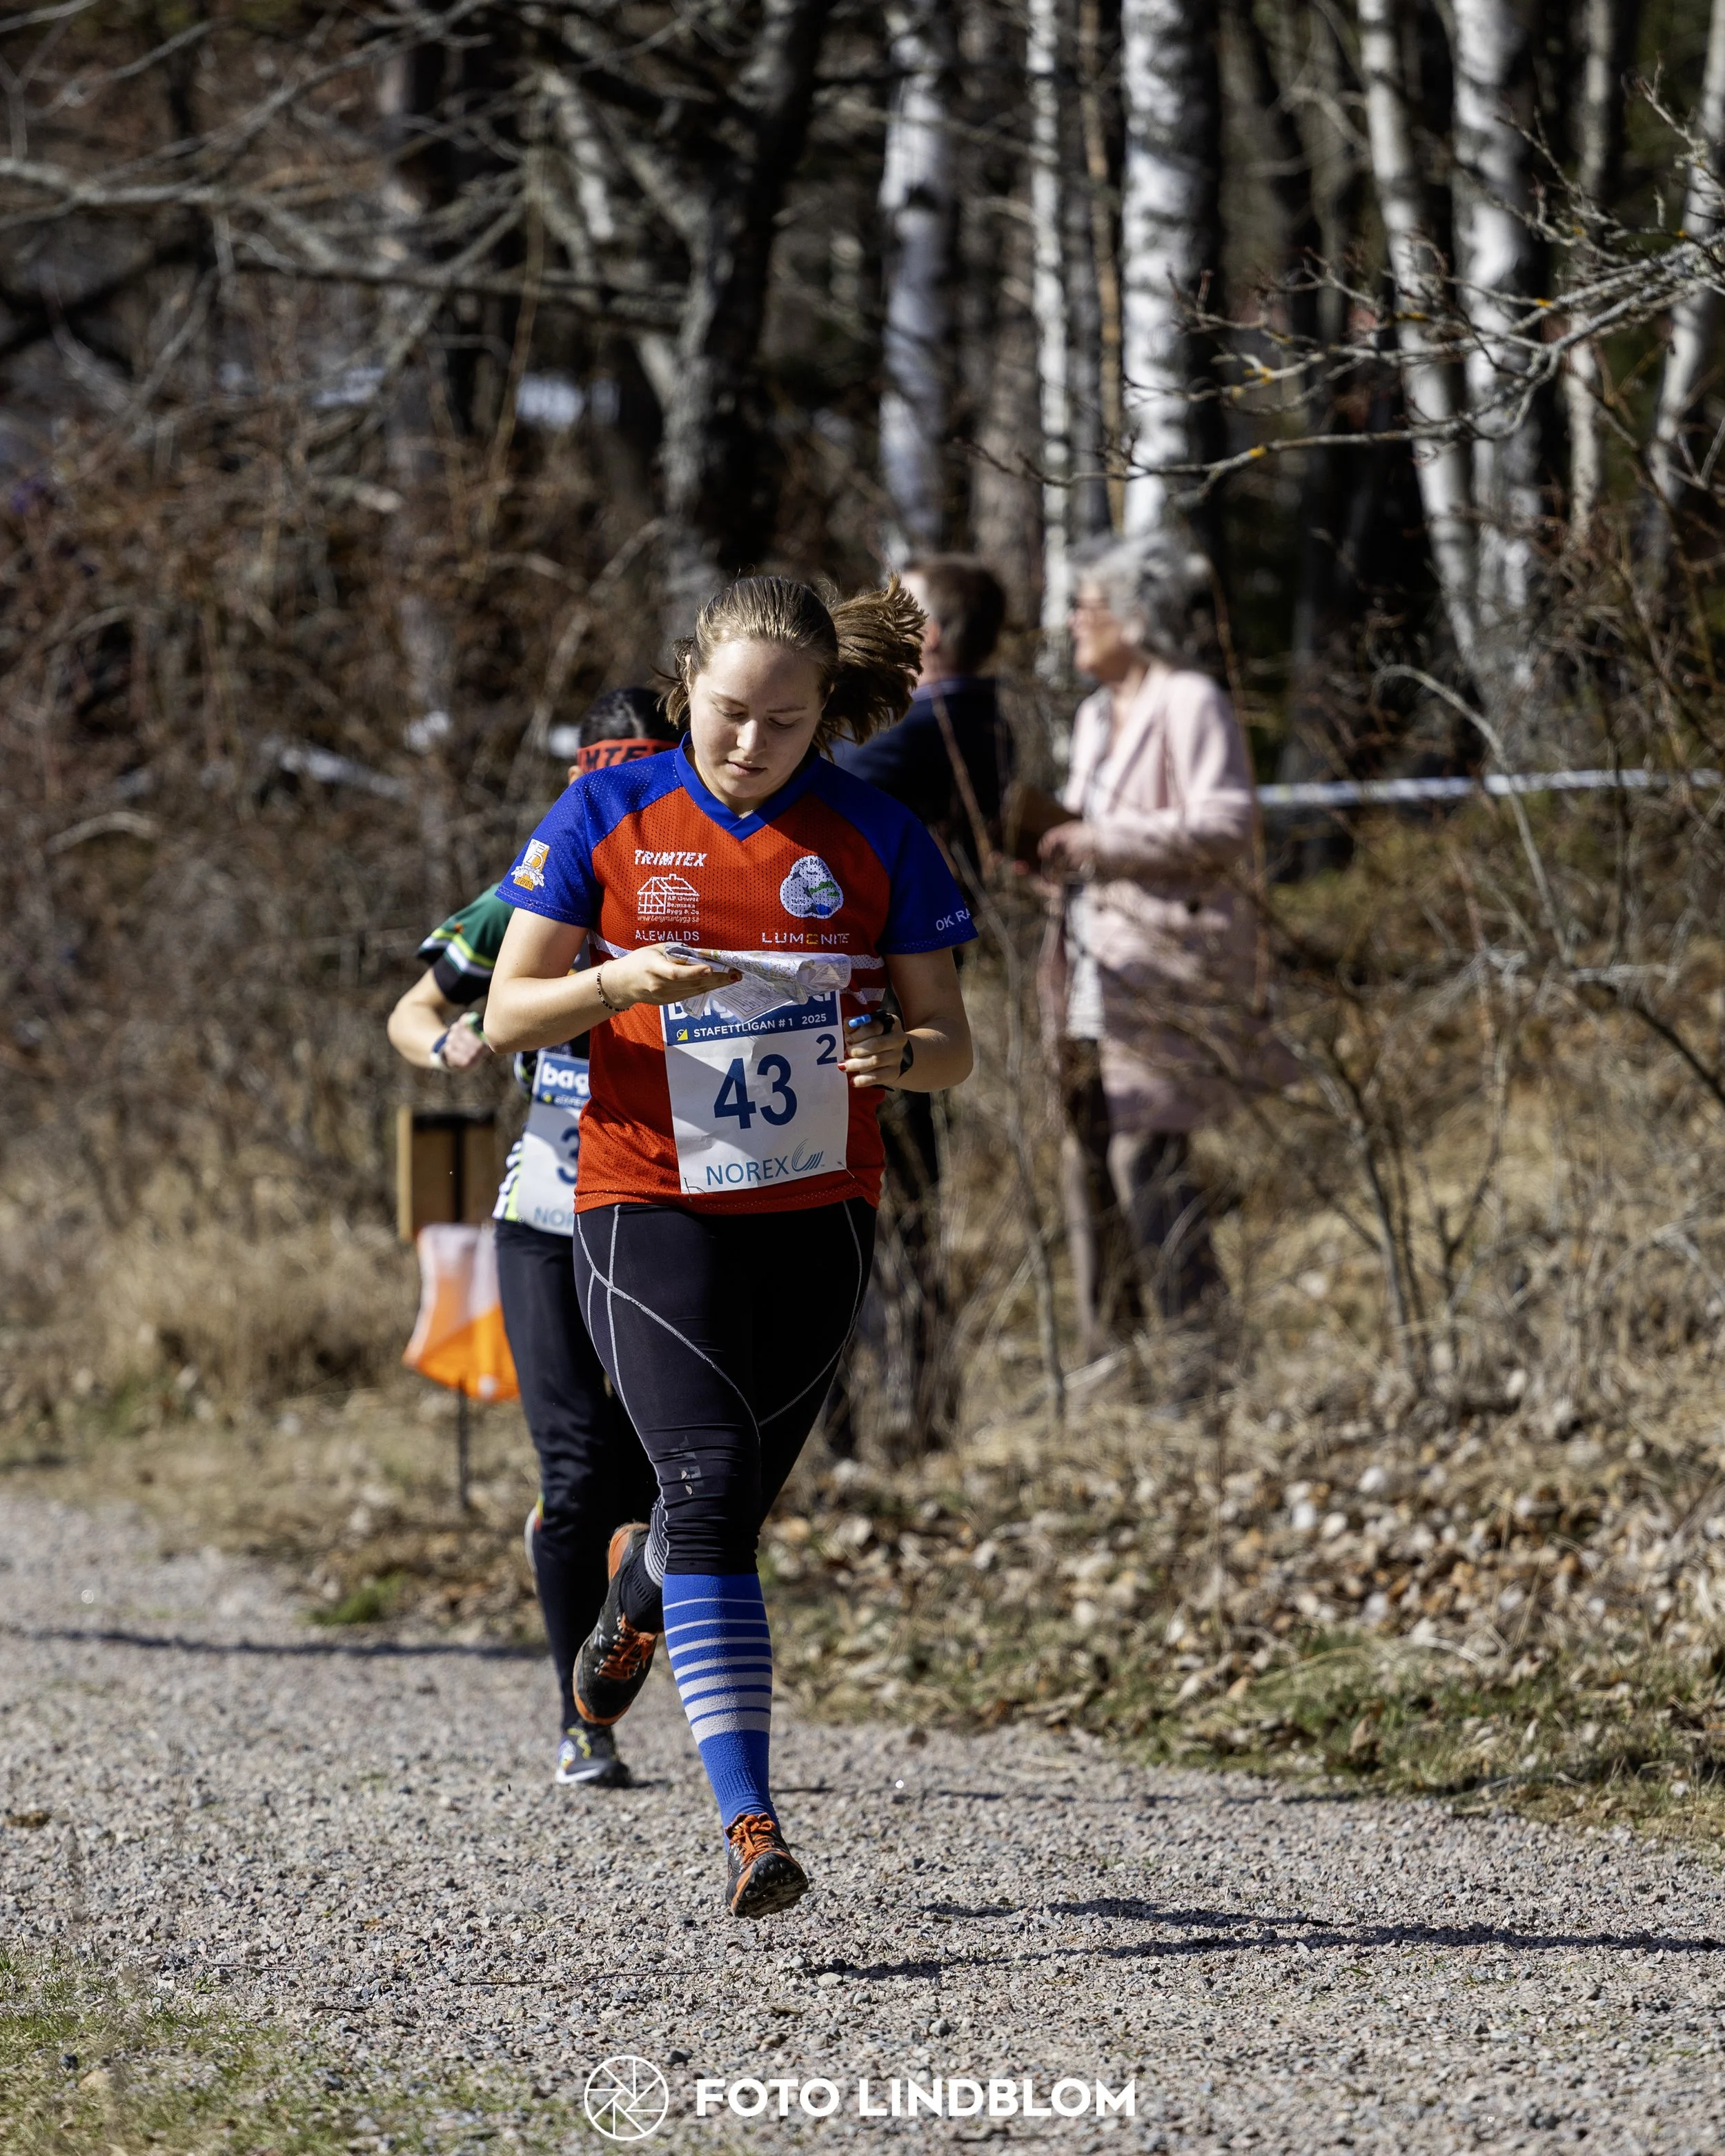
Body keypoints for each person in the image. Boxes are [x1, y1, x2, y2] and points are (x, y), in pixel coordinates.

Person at [484, 575, 976, 1918]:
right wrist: (620, 979)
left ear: (825, 718)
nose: (747, 744)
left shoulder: (875, 833)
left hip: (815, 1208)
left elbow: (952, 1041)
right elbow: (511, 1006)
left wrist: (900, 1053)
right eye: (723, 714)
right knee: (701, 1469)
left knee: (718, 1507)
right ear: (685, 684)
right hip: (645, 1195)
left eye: (783, 722)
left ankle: (636, 1589)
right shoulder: (610, 807)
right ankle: (750, 1824)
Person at [386, 685, 671, 1788]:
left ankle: (631, 1625)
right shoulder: (535, 889)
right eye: (597, 785)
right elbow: (417, 1008)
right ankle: (580, 1721)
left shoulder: (696, 888)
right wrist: (449, 1046)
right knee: (575, 1467)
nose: (616, 806)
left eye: (637, 781)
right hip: (546, 1213)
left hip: (665, 1212)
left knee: (662, 1480)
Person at [1038, 533, 1274, 1379]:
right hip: (1091, 964)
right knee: (1084, 1147)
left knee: (1147, 1150)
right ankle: (1112, 1353)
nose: (1072, 622)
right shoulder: (1092, 716)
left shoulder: (1189, 699)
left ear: (1133, 618)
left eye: (1086, 607)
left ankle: (1200, 1353)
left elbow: (1226, 822)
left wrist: (1101, 841)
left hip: (1170, 960)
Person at [824, 557, 1010, 1452]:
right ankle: (908, 1414)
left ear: (929, 638)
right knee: (899, 1222)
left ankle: (873, 1425)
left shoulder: (931, 724)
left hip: (884, 1011)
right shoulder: (976, 719)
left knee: (865, 1223)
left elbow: (817, 774)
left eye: (899, 610)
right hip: (897, 1006)